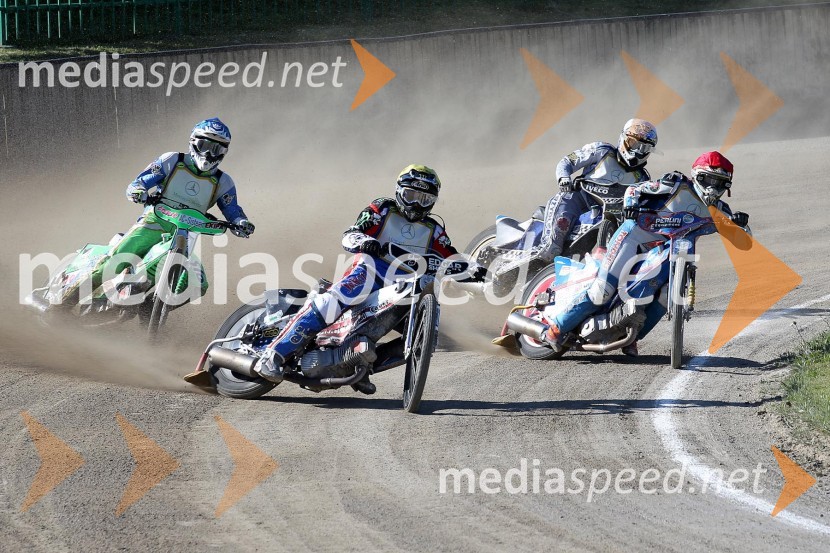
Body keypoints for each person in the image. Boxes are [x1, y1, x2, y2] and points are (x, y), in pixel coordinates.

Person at [254, 164, 480, 393]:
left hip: (405, 286)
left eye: (424, 198)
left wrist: (474, 269)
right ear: (399, 191)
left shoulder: (434, 229)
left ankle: (358, 364)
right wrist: (364, 241)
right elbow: (351, 232)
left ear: (433, 201)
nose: (415, 204)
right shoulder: (383, 208)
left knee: (428, 335)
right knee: (331, 303)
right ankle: (273, 355)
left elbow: (451, 255)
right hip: (370, 271)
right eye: (411, 195)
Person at [544, 151, 750, 357]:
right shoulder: (676, 184)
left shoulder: (721, 211)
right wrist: (631, 206)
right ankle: (556, 328)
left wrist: (741, 224)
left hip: (671, 252)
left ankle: (630, 338)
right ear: (697, 175)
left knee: (664, 297)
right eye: (709, 180)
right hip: (634, 237)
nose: (713, 188)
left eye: (720, 183)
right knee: (602, 291)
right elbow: (635, 189)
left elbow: (745, 243)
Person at [82, 118, 254, 303]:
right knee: (116, 261)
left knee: (199, 284)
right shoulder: (172, 160)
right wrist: (138, 192)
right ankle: (65, 301)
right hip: (153, 223)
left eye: (217, 149)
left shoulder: (223, 181)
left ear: (224, 152)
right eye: (204, 145)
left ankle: (148, 309)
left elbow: (232, 210)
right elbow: (139, 182)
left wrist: (241, 223)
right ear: (193, 142)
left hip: (185, 236)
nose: (209, 153)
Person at [540, 118, 658, 262]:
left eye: (644, 148)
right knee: (551, 249)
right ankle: (540, 256)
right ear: (624, 138)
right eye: (634, 144)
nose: (638, 151)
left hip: (609, 215)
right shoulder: (601, 150)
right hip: (578, 200)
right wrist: (564, 178)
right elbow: (567, 161)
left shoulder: (643, 178)